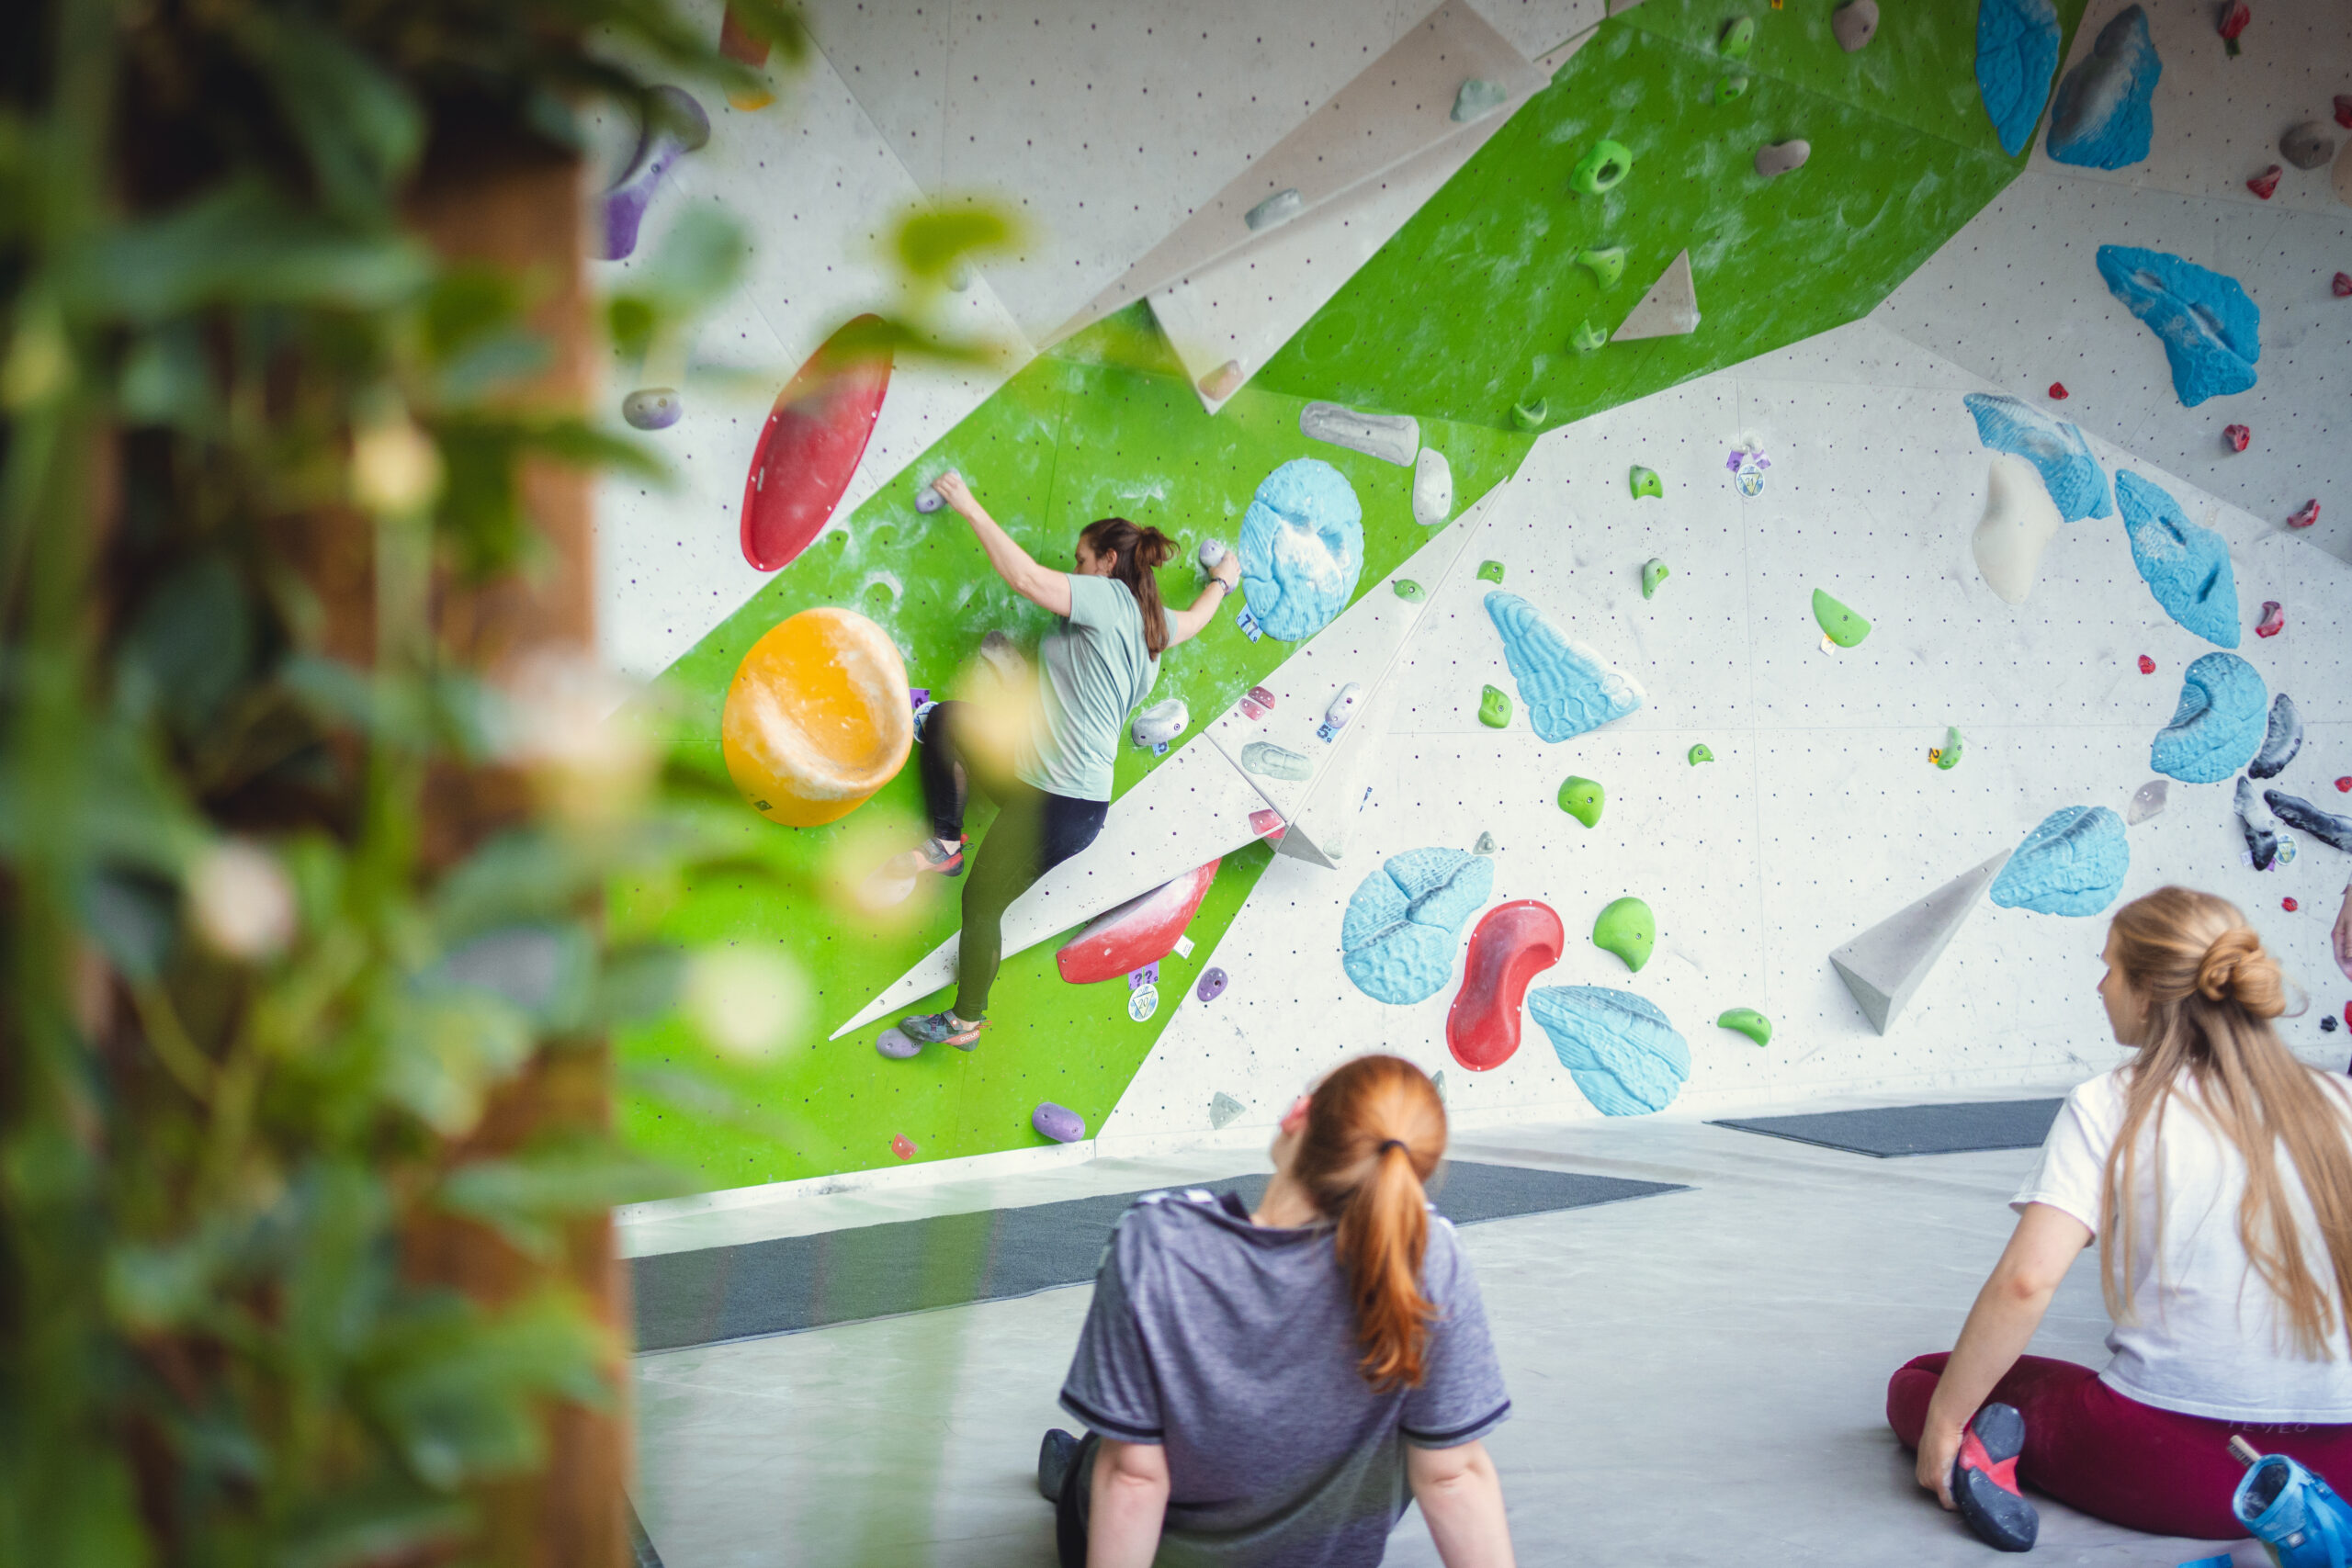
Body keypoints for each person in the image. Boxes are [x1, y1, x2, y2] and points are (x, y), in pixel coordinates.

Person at [1888, 886, 2352, 1550]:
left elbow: (2027, 1281)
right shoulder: (2339, 1100)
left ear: (2147, 990)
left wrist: (1943, 1423)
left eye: (2110, 967)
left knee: (1924, 1379)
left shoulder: (2111, 1103)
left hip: (2173, 1468)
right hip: (2339, 1468)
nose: (2100, 985)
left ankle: (1982, 1456)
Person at [1037, 1054, 1517, 1567]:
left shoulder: (1159, 1237)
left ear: (1298, 1116)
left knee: (1114, 1434)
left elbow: (1133, 1476)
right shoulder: (1428, 1253)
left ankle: (1068, 1463)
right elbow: (1453, 1474)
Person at [889, 469, 1238, 1052]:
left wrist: (967, 503)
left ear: (1107, 563)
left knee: (982, 903)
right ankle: (946, 842)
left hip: (1058, 804)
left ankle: (964, 1023)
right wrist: (1223, 581)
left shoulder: (1106, 598)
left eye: (1081, 559)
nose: (1075, 570)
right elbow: (1198, 619)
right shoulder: (1156, 628)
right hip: (1044, 786)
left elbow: (1026, 577)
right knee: (951, 722)